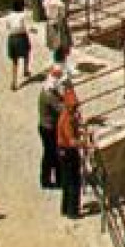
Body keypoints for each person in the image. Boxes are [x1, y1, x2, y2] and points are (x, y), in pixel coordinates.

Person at [55, 86, 85, 220]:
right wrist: (86, 144)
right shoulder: (67, 119)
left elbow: (74, 131)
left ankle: (65, 208)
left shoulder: (67, 116)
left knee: (67, 181)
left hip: (64, 151)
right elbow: (72, 141)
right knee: (74, 182)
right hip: (68, 152)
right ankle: (73, 212)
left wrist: (83, 133)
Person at [38, 67, 65, 190]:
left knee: (50, 155)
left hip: (46, 126)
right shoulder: (49, 94)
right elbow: (61, 109)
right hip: (49, 128)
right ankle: (52, 180)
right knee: (51, 155)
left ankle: (49, 180)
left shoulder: (47, 90)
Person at [5, 0, 34, 89]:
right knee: (26, 54)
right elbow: (27, 27)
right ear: (21, 6)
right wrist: (33, 30)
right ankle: (25, 70)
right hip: (21, 37)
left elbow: (8, 27)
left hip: (12, 38)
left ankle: (13, 82)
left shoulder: (9, 16)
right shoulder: (23, 15)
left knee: (14, 61)